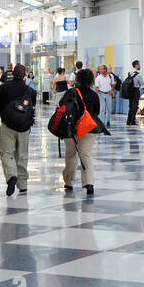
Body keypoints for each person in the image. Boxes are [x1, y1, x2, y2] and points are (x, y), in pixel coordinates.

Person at [0, 63, 34, 196]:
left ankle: (11, 176)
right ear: (25, 75)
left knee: (6, 153)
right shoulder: (29, 90)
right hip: (24, 127)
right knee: (22, 155)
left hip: (7, 126)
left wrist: (4, 115)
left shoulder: (3, 88)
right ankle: (23, 184)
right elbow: (31, 109)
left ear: (12, 74)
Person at [59, 67, 99, 195]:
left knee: (71, 154)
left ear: (77, 79)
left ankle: (69, 182)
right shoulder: (94, 95)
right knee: (85, 154)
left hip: (71, 128)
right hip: (89, 128)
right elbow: (97, 111)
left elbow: (61, 106)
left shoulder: (71, 93)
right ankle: (89, 183)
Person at [123, 60, 143, 126]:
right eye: (139, 65)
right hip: (135, 91)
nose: (140, 66)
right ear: (136, 65)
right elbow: (142, 83)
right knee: (134, 107)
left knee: (131, 106)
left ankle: (129, 121)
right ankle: (132, 121)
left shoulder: (130, 73)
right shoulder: (138, 74)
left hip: (130, 91)